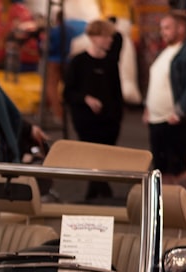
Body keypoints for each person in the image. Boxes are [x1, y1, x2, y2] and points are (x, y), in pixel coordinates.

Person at [143, 10, 186, 194]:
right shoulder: (166, 52)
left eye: (167, 28)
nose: (163, 32)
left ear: (181, 29)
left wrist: (180, 111)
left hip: (174, 118)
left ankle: (181, 203)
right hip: (157, 118)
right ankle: (165, 205)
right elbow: (157, 81)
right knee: (161, 166)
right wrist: (148, 107)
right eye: (162, 28)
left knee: (177, 164)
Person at [62, 19, 123, 199]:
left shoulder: (111, 64)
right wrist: (86, 99)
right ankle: (101, 191)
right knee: (92, 155)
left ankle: (97, 191)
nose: (110, 40)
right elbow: (68, 92)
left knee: (104, 156)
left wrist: (117, 118)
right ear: (95, 37)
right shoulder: (78, 62)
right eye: (106, 36)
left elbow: (116, 94)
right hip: (86, 120)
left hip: (109, 121)